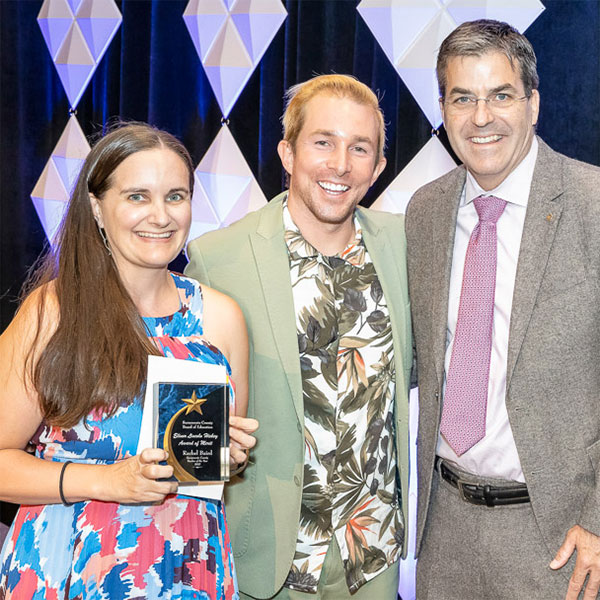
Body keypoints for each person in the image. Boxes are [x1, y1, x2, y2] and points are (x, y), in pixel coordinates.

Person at [0, 123, 258, 599]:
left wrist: (230, 455)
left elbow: (212, 463)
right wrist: (107, 480)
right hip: (71, 567)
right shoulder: (52, 313)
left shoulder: (221, 318)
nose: (160, 216)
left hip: (188, 569)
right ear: (97, 208)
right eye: (138, 196)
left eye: (175, 196)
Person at [185, 74, 412, 600]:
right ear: (287, 152)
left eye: (360, 148)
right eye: (323, 142)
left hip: (372, 556)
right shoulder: (219, 258)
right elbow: (192, 416)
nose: (340, 164)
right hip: (267, 558)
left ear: (378, 168)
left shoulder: (403, 247)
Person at [406, 19, 600, 600]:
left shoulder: (592, 206)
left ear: (533, 103)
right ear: (442, 108)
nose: (481, 117)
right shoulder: (426, 211)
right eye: (463, 98)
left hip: (561, 537)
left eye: (501, 95)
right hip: (444, 531)